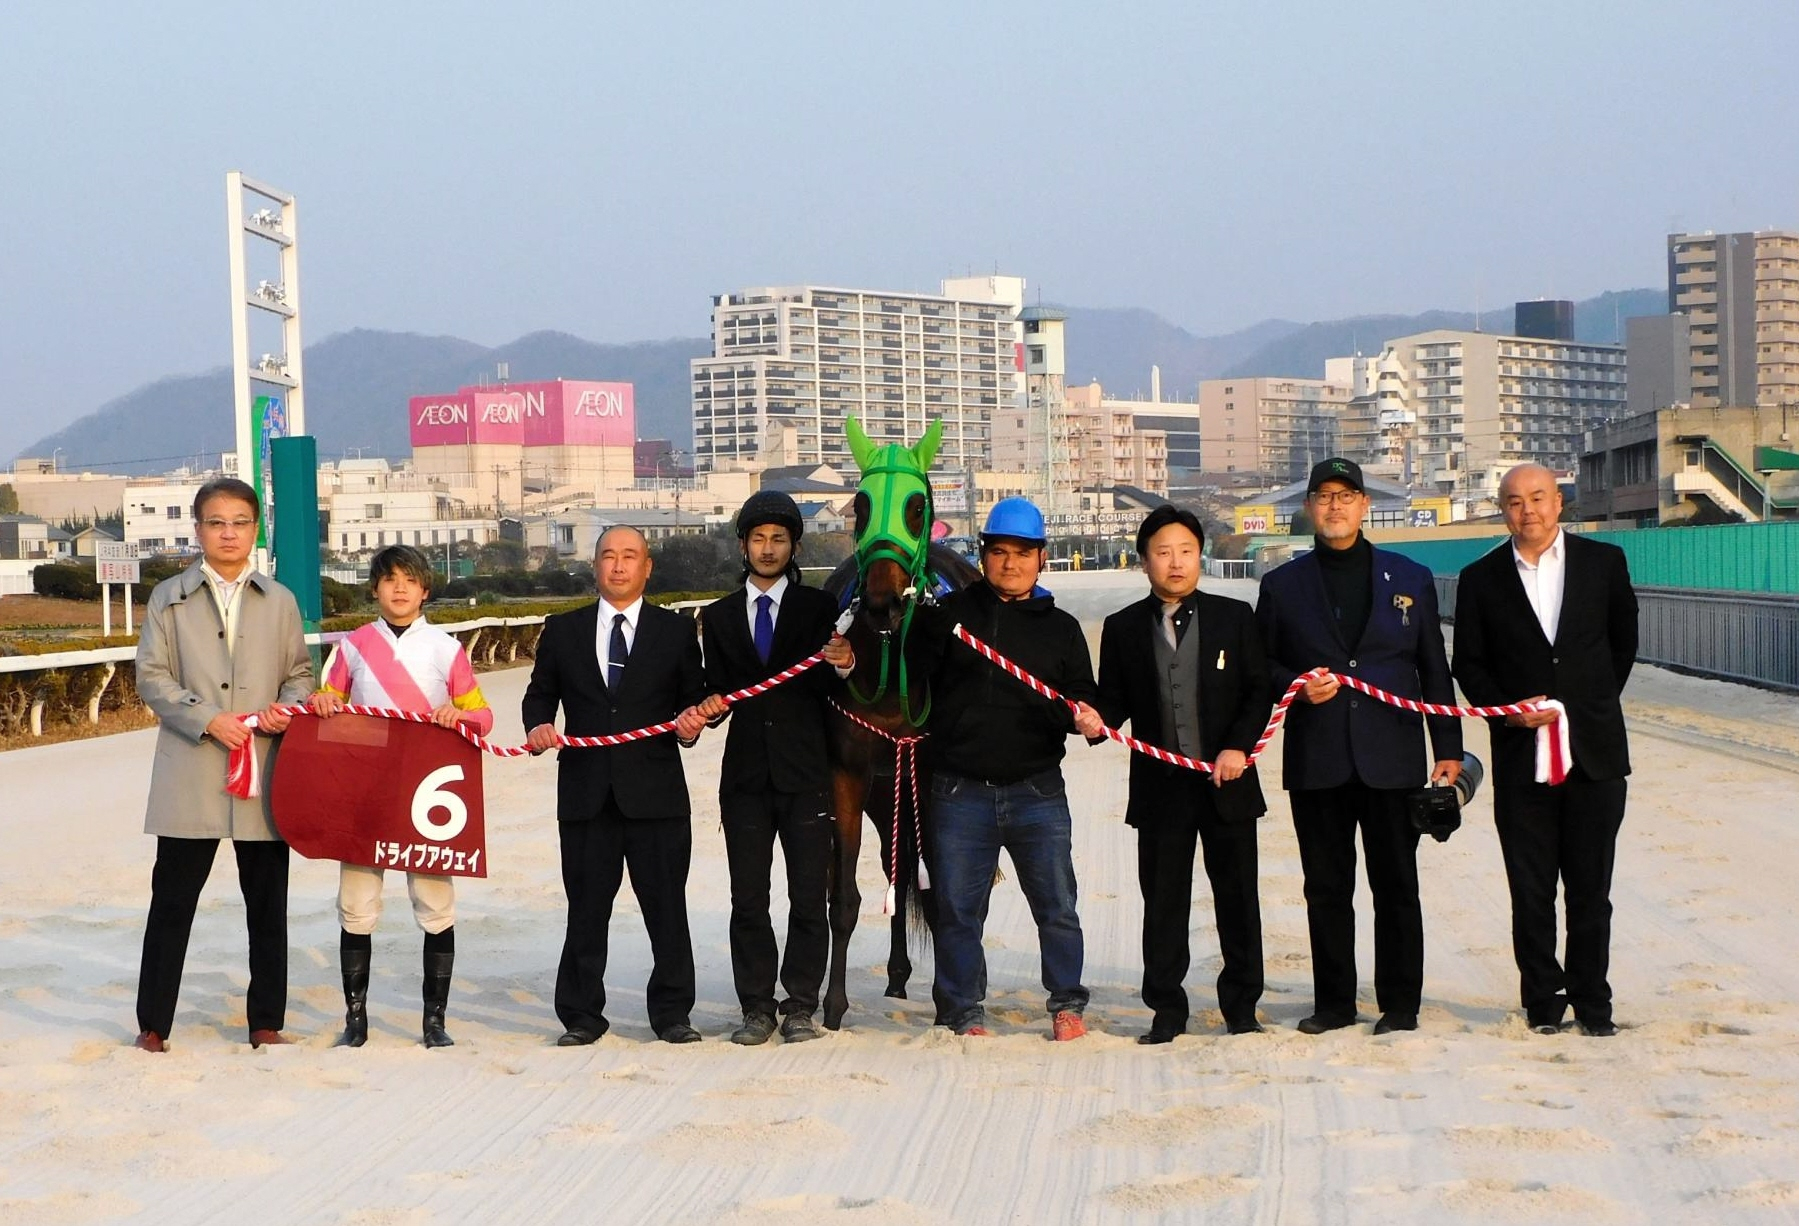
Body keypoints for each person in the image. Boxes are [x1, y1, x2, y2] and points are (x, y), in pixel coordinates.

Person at [1256, 458, 1462, 1035]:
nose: (1335, 506)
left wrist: (1447, 745)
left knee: (1396, 884)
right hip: (1318, 757)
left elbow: (1433, 669)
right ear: (1309, 507)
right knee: (1326, 888)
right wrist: (1293, 688)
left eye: (1347, 495)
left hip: (1391, 756)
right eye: (1324, 495)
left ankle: (1401, 1004)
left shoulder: (1410, 577)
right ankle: (1335, 1004)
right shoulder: (1282, 585)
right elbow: (1262, 666)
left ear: (1365, 505)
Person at [1451, 463, 1637, 1037]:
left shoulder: (1604, 564)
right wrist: (1510, 710)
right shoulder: (1479, 578)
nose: (1526, 510)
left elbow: (1621, 646)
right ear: (1501, 510)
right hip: (1519, 755)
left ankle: (1593, 1000)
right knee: (1530, 889)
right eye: (1513, 502)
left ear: (1559, 503)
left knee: (1591, 889)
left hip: (1594, 754)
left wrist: (1584, 707)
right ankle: (1542, 1001)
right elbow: (1469, 665)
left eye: (1537, 498)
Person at [131, 477, 314, 1052]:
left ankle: (266, 1022)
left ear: (255, 528)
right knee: (171, 904)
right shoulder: (170, 597)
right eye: (216, 521)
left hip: (263, 771)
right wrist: (208, 718)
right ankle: (154, 1025)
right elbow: (152, 677)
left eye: (239, 521)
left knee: (268, 904)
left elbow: (300, 673)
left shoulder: (280, 599)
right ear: (199, 529)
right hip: (192, 768)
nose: (228, 532)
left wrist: (288, 707)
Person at [913, 496, 1106, 1040]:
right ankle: (962, 1010)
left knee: (1057, 906)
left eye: (1023, 553)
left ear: (1042, 558)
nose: (1011, 563)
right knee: (956, 910)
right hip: (958, 792)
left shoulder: (1063, 628)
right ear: (984, 556)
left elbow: (1083, 696)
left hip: (1037, 792)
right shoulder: (947, 619)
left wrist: (1090, 716)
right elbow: (905, 677)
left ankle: (1067, 1004)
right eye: (999, 552)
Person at [522, 526, 711, 1045]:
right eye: (609, 556)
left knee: (667, 909)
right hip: (586, 798)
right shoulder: (562, 631)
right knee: (585, 911)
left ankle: (673, 1014)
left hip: (656, 796)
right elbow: (538, 698)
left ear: (648, 567)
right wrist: (537, 727)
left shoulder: (675, 632)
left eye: (630, 556)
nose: (619, 565)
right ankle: (581, 1017)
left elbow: (693, 701)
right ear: (595, 565)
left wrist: (693, 724)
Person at [1095, 505, 1272, 1042]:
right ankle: (1167, 1011)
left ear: (1201, 556)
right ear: (1144, 561)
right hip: (1160, 789)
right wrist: (1092, 718)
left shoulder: (1235, 617)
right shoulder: (1122, 627)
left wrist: (1238, 748)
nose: (1176, 563)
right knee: (1164, 903)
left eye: (1186, 551)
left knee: (1238, 899)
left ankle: (1241, 1009)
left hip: (1228, 784)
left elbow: (1258, 691)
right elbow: (1113, 704)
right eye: (1163, 553)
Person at [308, 545, 494, 1049]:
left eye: (409, 580)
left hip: (425, 792)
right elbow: (326, 703)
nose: (399, 589)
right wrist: (322, 700)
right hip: (365, 791)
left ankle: (434, 1021)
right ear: (375, 588)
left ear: (425, 589)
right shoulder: (351, 646)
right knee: (357, 903)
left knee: (435, 903)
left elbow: (482, 715)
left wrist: (461, 717)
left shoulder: (445, 648)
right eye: (389, 579)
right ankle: (356, 1018)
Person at [695, 492, 853, 1046]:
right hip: (744, 781)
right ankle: (756, 1007)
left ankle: (801, 1004)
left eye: (779, 539)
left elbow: (844, 685)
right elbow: (713, 693)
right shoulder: (715, 618)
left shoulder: (819, 611)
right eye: (758, 539)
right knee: (749, 899)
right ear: (742, 545)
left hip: (807, 775)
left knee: (809, 895)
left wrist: (845, 664)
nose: (768, 549)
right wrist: (703, 712)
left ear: (794, 547)